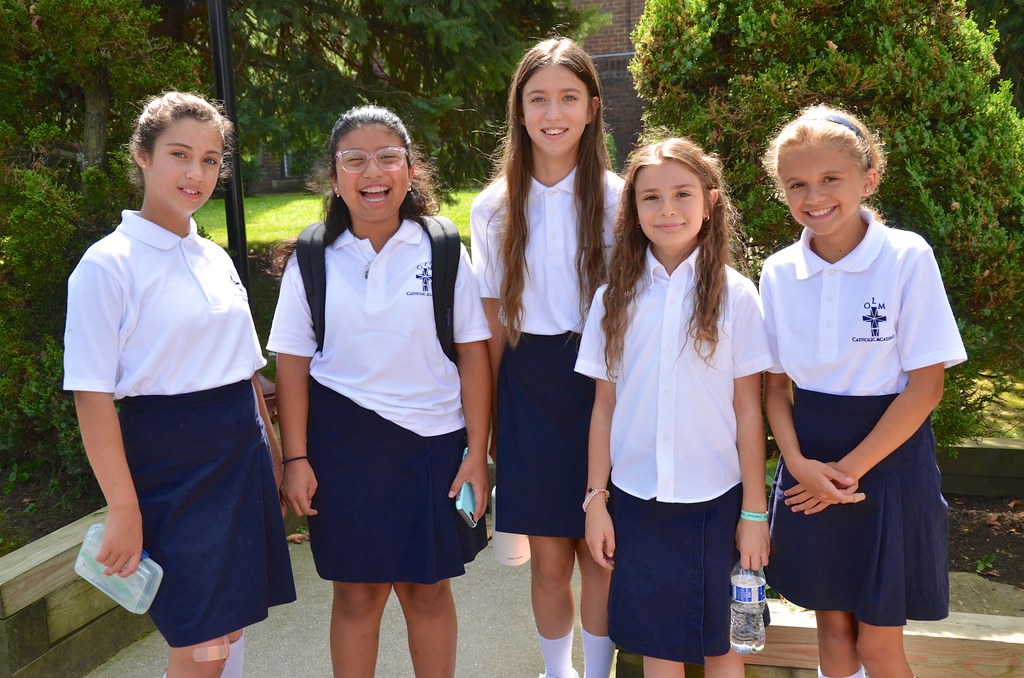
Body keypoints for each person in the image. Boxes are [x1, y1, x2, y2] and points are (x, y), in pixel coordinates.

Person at [63, 91, 296, 678]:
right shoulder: (105, 265)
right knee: (201, 636)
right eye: (180, 155)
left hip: (239, 451)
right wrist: (123, 508)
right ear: (142, 156)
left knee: (231, 619)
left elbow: (245, 372)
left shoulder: (214, 258)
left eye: (212, 159)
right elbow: (91, 398)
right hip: (170, 463)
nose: (197, 173)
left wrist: (270, 453)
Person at [269, 104, 491, 678]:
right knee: (357, 595)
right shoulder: (312, 256)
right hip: (342, 449)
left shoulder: (442, 249)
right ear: (334, 175)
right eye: (355, 160)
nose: (374, 172)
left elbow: (472, 354)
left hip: (433, 446)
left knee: (428, 592)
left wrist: (476, 453)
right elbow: (291, 364)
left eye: (389, 157)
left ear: (411, 169)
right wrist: (296, 458)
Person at [759, 105, 968, 678]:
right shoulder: (777, 272)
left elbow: (926, 387)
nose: (815, 195)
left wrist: (844, 474)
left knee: (878, 644)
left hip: (889, 462)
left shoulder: (905, 257)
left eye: (832, 178)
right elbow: (776, 387)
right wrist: (799, 465)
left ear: (869, 178)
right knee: (833, 632)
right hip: (810, 466)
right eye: (797, 183)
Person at [576, 137, 773, 677]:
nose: (667, 210)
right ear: (632, 210)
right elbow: (603, 407)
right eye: (650, 198)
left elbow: (749, 411)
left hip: (716, 501)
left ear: (709, 202)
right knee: (657, 643)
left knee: (722, 644)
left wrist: (754, 513)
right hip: (637, 500)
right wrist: (597, 500)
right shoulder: (610, 299)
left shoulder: (737, 295)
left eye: (682, 194)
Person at [469, 36, 624, 678]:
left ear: (591, 108)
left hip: (606, 384)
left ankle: (597, 671)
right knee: (551, 557)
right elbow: (493, 321)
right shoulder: (494, 207)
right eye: (538, 99)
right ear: (520, 110)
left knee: (603, 552)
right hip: (528, 387)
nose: (552, 113)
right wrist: (493, 430)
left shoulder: (621, 198)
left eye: (567, 97)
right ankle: (557, 671)